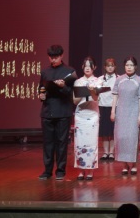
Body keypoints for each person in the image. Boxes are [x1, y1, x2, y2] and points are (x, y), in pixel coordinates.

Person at [37, 44, 76, 180]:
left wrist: (63, 86)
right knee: (48, 143)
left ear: (61, 56)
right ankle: (47, 171)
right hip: (47, 111)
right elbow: (41, 89)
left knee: (61, 142)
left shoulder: (69, 71)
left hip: (63, 111)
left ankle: (60, 170)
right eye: (51, 57)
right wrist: (41, 95)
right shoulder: (45, 72)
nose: (53, 60)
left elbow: (72, 93)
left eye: (56, 57)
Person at [111, 56, 140, 175]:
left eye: (131, 65)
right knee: (121, 138)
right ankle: (124, 164)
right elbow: (115, 96)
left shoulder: (139, 80)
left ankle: (134, 164)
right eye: (127, 65)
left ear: (135, 67)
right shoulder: (119, 79)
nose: (129, 67)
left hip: (133, 113)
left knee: (132, 138)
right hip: (121, 112)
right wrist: (113, 111)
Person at [72, 56, 101, 180]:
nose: (88, 68)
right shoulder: (78, 82)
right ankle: (80, 170)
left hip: (92, 114)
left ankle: (90, 170)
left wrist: (92, 91)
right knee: (79, 143)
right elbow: (74, 101)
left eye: (90, 66)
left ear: (94, 67)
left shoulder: (98, 81)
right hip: (80, 115)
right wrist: (83, 91)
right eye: (85, 66)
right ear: (82, 67)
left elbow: (96, 98)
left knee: (91, 143)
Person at [98, 58, 118, 161]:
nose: (110, 68)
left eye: (112, 66)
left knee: (113, 131)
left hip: (115, 107)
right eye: (108, 66)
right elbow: (96, 93)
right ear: (105, 67)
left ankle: (111, 152)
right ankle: (105, 152)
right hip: (102, 106)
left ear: (115, 67)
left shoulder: (118, 78)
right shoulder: (100, 79)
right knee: (104, 131)